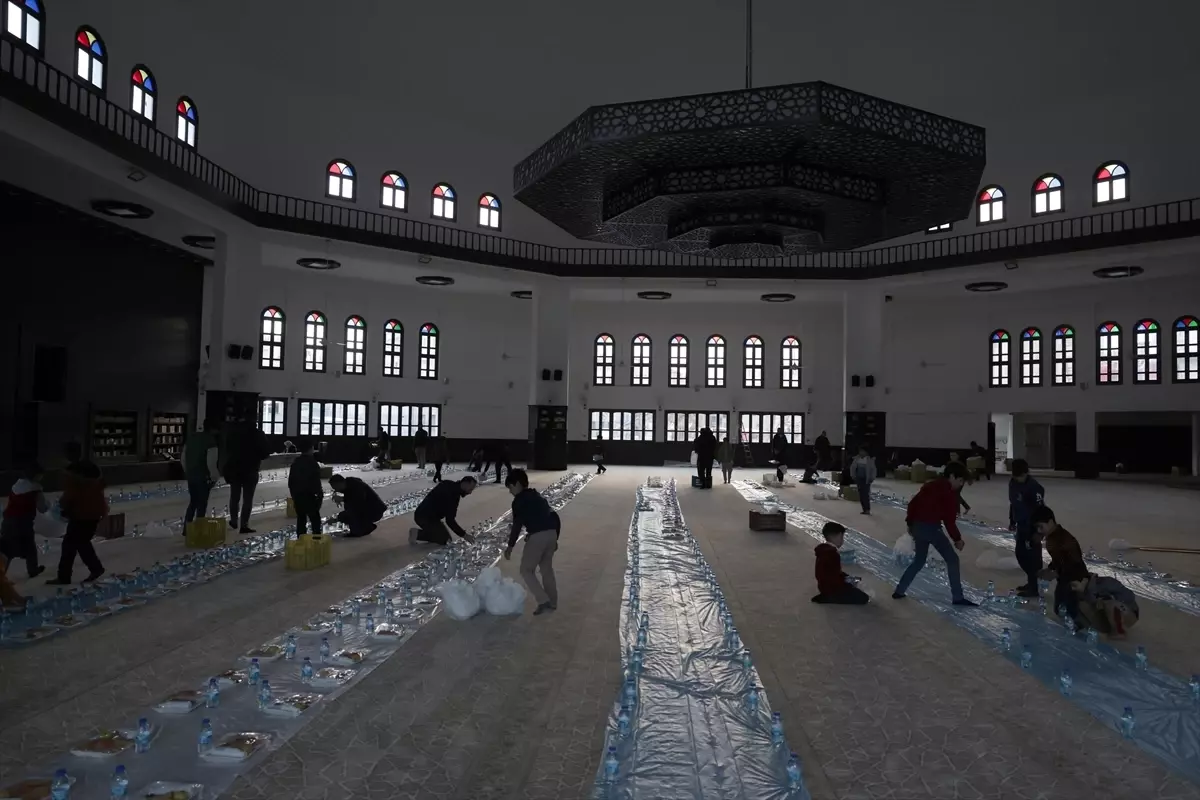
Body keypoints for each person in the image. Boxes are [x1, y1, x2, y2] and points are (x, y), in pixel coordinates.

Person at [892, 462, 977, 606]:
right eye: (960, 480)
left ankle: (899, 590)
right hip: (931, 529)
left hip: (918, 527)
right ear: (951, 476)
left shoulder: (930, 486)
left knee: (919, 561)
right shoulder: (948, 493)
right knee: (952, 559)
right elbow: (949, 521)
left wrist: (910, 523)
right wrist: (957, 539)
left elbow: (913, 504)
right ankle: (957, 597)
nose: (960, 484)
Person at [503, 469, 561, 615]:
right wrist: (555, 538)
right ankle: (553, 602)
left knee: (526, 570)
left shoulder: (519, 501)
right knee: (546, 569)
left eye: (510, 487)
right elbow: (555, 516)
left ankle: (543, 600)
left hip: (538, 536)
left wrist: (510, 546)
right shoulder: (537, 496)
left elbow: (517, 525)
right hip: (551, 533)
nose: (510, 491)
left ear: (516, 484)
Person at [47, 442, 106, 585]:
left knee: (72, 544)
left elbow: (71, 494)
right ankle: (88, 569)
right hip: (94, 512)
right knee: (80, 542)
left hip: (80, 514)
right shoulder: (93, 469)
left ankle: (68, 575)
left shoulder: (72, 472)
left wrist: (63, 508)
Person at [1031, 505, 1089, 627]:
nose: (1039, 531)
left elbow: (1074, 562)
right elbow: (1058, 559)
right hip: (1064, 577)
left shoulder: (1064, 539)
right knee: (1060, 607)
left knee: (1069, 607)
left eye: (1041, 527)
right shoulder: (1053, 538)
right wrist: (1051, 568)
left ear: (1050, 522)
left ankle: (1079, 624)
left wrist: (1055, 572)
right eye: (1037, 528)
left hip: (1074, 577)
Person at [0, 464, 48, 578]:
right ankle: (33, 570)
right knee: (30, 548)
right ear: (37, 475)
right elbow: (42, 508)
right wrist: (49, 506)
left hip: (8, 521)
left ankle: (1, 573)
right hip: (23, 523)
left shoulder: (16, 485)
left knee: (6, 549)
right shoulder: (36, 489)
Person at [221, 421, 269, 533]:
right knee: (248, 499)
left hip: (235, 469)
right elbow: (265, 453)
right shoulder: (258, 434)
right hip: (251, 469)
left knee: (234, 496)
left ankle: (233, 521)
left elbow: (226, 449)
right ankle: (244, 525)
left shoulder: (233, 433)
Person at [1009, 458, 1046, 598]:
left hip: (1033, 527)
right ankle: (1032, 582)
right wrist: (1012, 520)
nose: (1018, 479)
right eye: (1016, 476)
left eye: (1021, 476)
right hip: (1021, 526)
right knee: (1020, 554)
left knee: (1033, 558)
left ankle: (1034, 588)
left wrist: (1039, 532)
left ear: (1026, 473)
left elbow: (1041, 510)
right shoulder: (1013, 483)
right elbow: (1013, 503)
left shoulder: (1034, 488)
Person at [409, 476, 478, 545]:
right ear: (465, 484)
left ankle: (431, 531)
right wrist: (464, 535)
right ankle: (417, 533)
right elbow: (450, 520)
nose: (470, 492)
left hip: (424, 513)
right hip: (424, 518)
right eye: (470, 489)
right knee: (444, 539)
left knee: (446, 537)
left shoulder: (448, 483)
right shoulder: (453, 496)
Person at [812, 521, 870, 604]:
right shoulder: (832, 554)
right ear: (838, 536)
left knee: (854, 587)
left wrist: (847, 577)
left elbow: (833, 572)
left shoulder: (824, 550)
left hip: (824, 585)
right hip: (831, 588)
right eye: (842, 537)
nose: (843, 540)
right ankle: (827, 598)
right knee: (863, 598)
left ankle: (827, 594)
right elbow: (834, 579)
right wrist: (847, 584)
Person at [1076, 573, 1140, 638]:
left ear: (1084, 580)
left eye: (1074, 585)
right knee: (1080, 604)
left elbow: (1129, 596)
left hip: (1128, 614)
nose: (1073, 588)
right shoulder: (1080, 593)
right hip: (1106, 621)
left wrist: (1108, 599)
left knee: (1109, 603)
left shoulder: (1105, 582)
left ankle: (1119, 631)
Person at [183, 419, 220, 524]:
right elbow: (211, 463)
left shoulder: (192, 438)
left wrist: (187, 471)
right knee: (202, 505)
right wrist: (214, 477)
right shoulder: (211, 441)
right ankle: (198, 529)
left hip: (191, 475)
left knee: (193, 502)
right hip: (203, 476)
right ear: (214, 429)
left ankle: (187, 528)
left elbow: (183, 458)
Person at [288, 440, 324, 537]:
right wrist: (319, 494)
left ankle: (301, 538)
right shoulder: (312, 463)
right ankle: (316, 537)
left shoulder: (296, 462)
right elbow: (315, 481)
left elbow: (291, 481)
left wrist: (293, 494)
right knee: (314, 518)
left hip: (298, 494)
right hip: (310, 495)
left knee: (301, 518)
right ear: (311, 449)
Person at [849, 445, 876, 514]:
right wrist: (853, 475)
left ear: (866, 452)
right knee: (861, 494)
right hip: (859, 478)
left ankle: (867, 509)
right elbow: (852, 468)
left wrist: (872, 478)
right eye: (860, 451)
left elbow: (873, 470)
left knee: (865, 494)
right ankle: (864, 509)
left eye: (862, 451)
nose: (861, 452)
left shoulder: (869, 460)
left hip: (866, 479)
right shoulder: (857, 459)